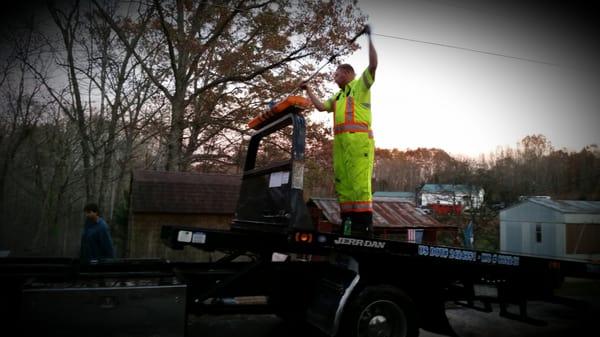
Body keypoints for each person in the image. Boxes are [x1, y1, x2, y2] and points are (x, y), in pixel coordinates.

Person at [301, 26, 377, 237]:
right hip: (342, 145)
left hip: (359, 142)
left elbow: (373, 65)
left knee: (359, 184)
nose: (334, 78)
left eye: (337, 74)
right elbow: (319, 106)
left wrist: (370, 38)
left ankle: (364, 228)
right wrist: (308, 89)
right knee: (343, 184)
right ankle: (348, 224)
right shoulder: (338, 97)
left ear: (347, 73)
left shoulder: (359, 86)